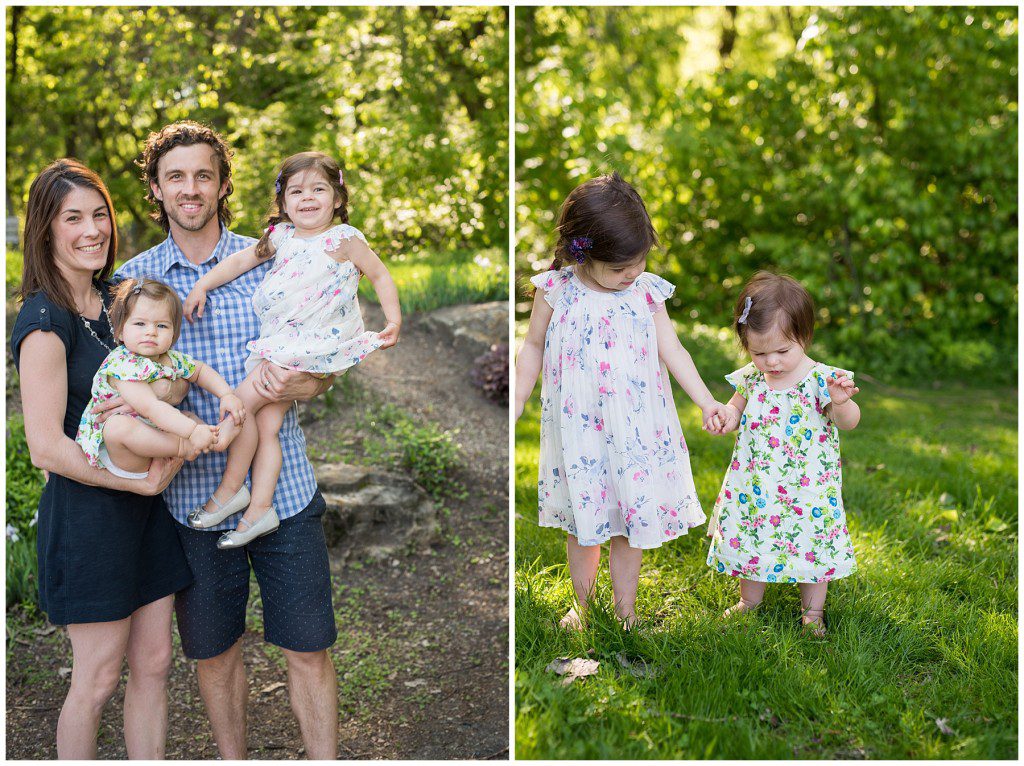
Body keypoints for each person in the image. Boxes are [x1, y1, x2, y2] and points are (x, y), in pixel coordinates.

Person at [113, 120, 345, 759]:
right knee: (214, 655)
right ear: (156, 190)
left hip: (285, 489)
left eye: (203, 176)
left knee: (308, 647)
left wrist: (300, 384)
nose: (191, 189)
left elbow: (320, 369)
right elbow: (121, 387)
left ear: (222, 185)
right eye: (176, 177)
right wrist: (182, 410)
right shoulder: (131, 282)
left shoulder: (276, 254)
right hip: (189, 501)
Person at [10, 159, 191, 758]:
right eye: (73, 218)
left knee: (156, 663)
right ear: (45, 229)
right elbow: (46, 447)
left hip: (147, 513)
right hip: (92, 516)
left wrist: (156, 396)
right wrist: (132, 482)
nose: (92, 230)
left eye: (100, 215)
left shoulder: (121, 300)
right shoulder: (44, 320)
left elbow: (174, 377)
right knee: (97, 679)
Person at [514, 173, 728, 629]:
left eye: (638, 260)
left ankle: (625, 610)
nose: (631, 272)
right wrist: (517, 401)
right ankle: (585, 606)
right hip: (578, 432)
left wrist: (707, 400)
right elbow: (532, 347)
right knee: (584, 522)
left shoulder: (646, 291)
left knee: (629, 522)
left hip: (634, 430)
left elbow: (672, 349)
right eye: (619, 268)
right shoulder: (557, 290)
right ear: (582, 253)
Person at [182, 151, 400, 548]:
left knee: (239, 405)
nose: (308, 198)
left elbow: (379, 274)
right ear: (283, 203)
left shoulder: (344, 240)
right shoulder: (280, 237)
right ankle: (259, 508)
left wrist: (393, 319)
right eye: (296, 191)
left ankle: (225, 484)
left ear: (337, 198)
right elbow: (239, 261)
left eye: (319, 189)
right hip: (280, 342)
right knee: (266, 427)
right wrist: (202, 285)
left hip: (311, 345)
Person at [705, 271, 861, 637]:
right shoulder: (751, 378)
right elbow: (735, 410)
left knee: (812, 542)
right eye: (759, 352)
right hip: (756, 481)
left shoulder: (823, 379)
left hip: (807, 487)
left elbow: (849, 422)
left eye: (782, 351)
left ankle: (813, 612)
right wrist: (725, 418)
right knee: (751, 535)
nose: (771, 362)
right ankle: (749, 601)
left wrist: (840, 403)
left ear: (803, 337)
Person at [75, 277, 243, 478]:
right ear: (120, 331)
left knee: (186, 416)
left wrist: (226, 394)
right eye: (140, 323)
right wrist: (189, 434)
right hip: (124, 455)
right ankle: (185, 446)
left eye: (162, 326)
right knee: (117, 428)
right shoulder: (122, 364)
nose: (151, 332)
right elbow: (151, 408)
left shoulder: (170, 358)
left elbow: (200, 371)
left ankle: (215, 438)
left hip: (157, 437)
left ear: (174, 334)